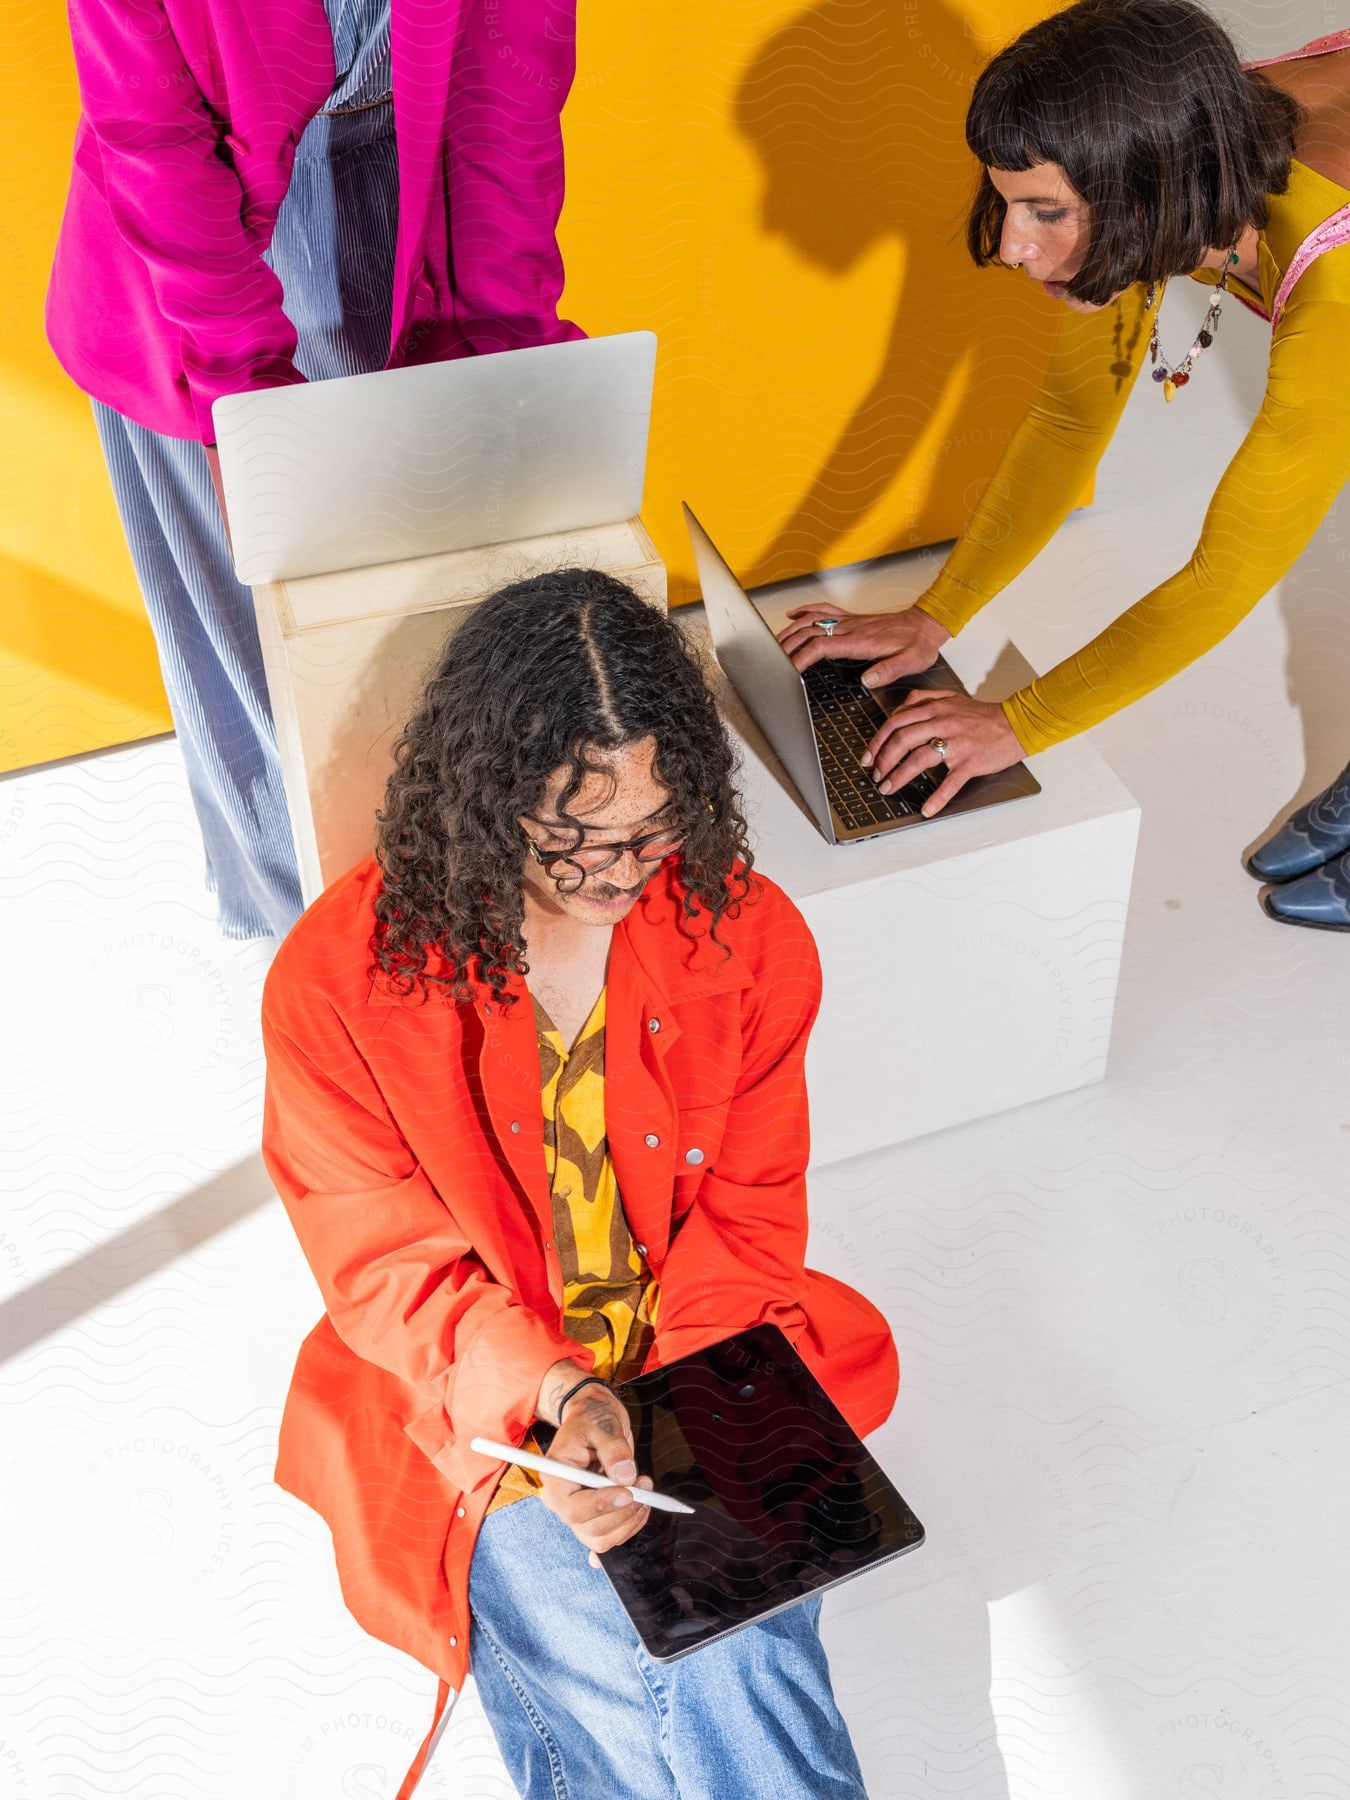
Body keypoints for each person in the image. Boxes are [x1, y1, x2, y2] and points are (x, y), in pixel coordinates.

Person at [259, 569, 899, 1798]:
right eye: (573, 838)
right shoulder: (335, 982)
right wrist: (557, 1397)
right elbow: (384, 1264)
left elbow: (751, 1217)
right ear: (487, 798)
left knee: (737, 1643)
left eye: (654, 830)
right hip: (480, 1381)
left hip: (708, 1341)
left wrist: (685, 1418)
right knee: (619, 1663)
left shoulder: (750, 936)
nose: (620, 874)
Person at [779, 3, 1350, 930]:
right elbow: (1067, 417)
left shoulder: (1336, 292)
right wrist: (936, 615)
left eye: (1046, 212)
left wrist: (1017, 724)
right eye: (1010, 201)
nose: (1012, 246)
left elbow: (1221, 578)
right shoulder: (1165, 151)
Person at [46, 0, 585, 942]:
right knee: (258, 650)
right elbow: (155, 136)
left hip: (421, 194)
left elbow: (510, 99)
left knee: (437, 619)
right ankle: (305, 955)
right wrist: (249, 418)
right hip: (192, 258)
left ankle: (454, 913)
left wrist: (505, 357)